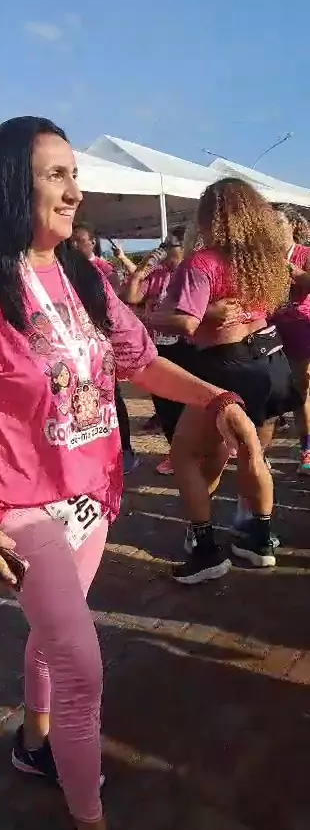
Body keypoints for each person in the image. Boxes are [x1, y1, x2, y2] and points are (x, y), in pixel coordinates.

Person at [0, 116, 262, 830]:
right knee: (82, 668)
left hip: (92, 496)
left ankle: (35, 742)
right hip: (20, 508)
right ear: (12, 186)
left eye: (74, 175)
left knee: (53, 635)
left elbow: (141, 363)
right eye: (56, 175)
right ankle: (89, 816)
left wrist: (217, 399)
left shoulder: (85, 278)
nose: (74, 192)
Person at [147, 178, 296, 577]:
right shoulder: (265, 260)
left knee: (183, 454)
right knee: (251, 449)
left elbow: (186, 322)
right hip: (271, 360)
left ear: (208, 217)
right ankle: (259, 540)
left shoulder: (203, 262)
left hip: (227, 365)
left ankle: (205, 550)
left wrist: (151, 315)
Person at [72, 222, 140, 474]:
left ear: (92, 243)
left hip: (101, 343)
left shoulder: (104, 269)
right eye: (71, 241)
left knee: (112, 396)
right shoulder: (66, 268)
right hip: (78, 345)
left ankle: (125, 450)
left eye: (79, 240)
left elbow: (115, 304)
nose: (74, 245)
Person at [123, 228, 186, 472]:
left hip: (188, 346)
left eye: (172, 245)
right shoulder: (158, 274)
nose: (167, 251)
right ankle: (176, 454)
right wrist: (140, 272)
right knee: (164, 403)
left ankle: (197, 453)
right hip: (159, 347)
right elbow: (132, 297)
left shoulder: (193, 271)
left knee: (188, 403)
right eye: (165, 246)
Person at [271, 203, 310, 473]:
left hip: (300, 326)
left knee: (300, 388)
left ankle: (307, 447)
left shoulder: (305, 254)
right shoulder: (265, 255)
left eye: (278, 223)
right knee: (271, 389)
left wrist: (293, 272)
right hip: (271, 327)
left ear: (292, 225)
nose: (273, 228)